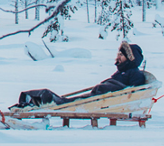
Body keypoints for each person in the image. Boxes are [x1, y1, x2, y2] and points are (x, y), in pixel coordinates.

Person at [13, 41, 147, 109]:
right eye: (118, 54)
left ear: (130, 58)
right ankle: (33, 101)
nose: (118, 57)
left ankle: (42, 101)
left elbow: (133, 92)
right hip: (99, 95)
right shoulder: (121, 71)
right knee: (68, 100)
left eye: (122, 55)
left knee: (67, 102)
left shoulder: (135, 73)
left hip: (103, 98)